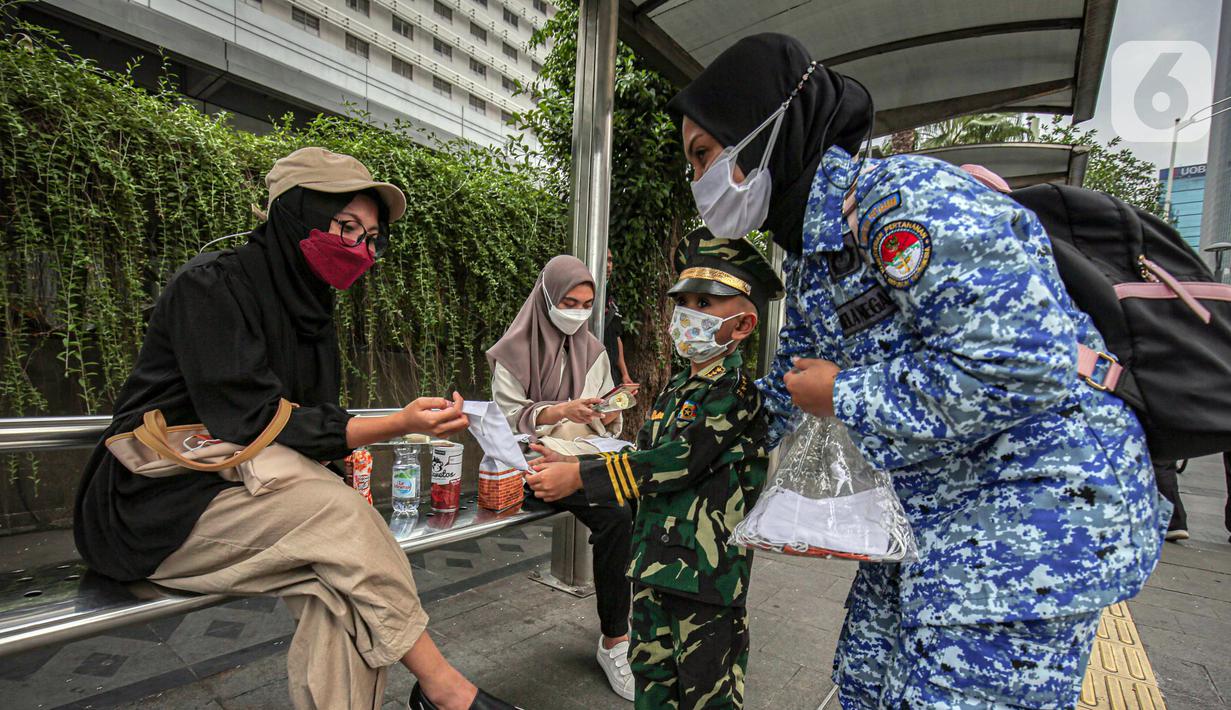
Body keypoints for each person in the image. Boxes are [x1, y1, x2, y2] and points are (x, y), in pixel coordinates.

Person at [667, 34, 1170, 709]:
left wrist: (842, 395)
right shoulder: (817, 252)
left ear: (767, 131)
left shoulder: (900, 202)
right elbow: (786, 385)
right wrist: (664, 441)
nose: (697, 178)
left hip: (1026, 535)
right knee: (864, 687)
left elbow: (1020, 365)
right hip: (932, 523)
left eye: (703, 154)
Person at [73, 147, 516, 710]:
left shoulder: (310, 310)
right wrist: (395, 425)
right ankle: (446, 690)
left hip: (244, 493)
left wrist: (376, 438)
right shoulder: (211, 287)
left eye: (370, 235)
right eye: (345, 226)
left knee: (336, 589)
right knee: (342, 521)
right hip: (154, 507)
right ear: (294, 215)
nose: (360, 247)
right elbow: (257, 418)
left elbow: (307, 429)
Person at [525, 228, 782, 709]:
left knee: (707, 695)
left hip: (707, 582)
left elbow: (675, 463)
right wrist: (579, 459)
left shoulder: (737, 394)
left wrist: (582, 474)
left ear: (744, 325)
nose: (687, 315)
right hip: (652, 569)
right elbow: (640, 464)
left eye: (705, 304)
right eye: (683, 301)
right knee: (653, 688)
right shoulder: (678, 388)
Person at [486, 254, 636, 701]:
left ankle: (632, 631)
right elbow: (506, 419)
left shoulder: (594, 350)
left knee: (639, 501)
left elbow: (605, 418)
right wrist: (558, 411)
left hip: (586, 455)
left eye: (586, 303)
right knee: (616, 514)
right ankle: (615, 641)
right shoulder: (512, 351)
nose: (577, 312)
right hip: (532, 461)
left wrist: (612, 409)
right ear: (546, 296)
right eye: (568, 301)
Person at [605, 249, 635, 385]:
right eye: (604, 260)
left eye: (610, 260)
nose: (607, 265)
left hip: (612, 373)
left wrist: (624, 373)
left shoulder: (610, 299)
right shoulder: (584, 298)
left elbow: (616, 336)